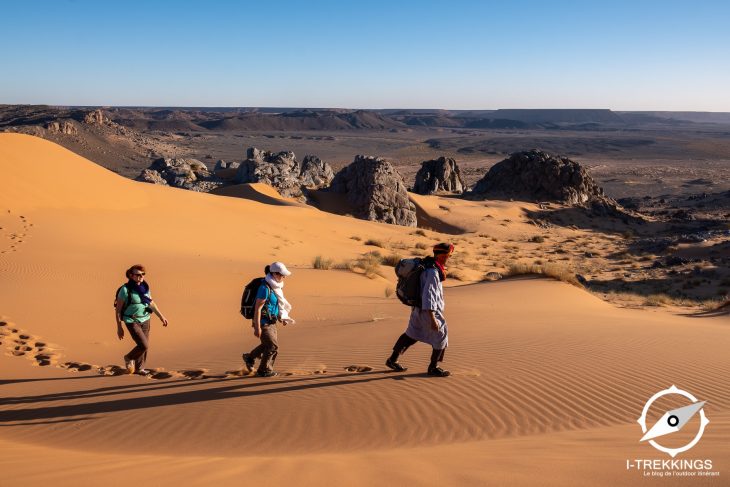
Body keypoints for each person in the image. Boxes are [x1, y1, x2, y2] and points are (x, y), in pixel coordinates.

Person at [386, 243, 454, 377]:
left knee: (412, 334)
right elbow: (429, 295)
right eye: (447, 256)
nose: (448, 258)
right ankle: (433, 367)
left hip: (418, 308)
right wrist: (432, 318)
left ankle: (392, 360)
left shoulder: (428, 266)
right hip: (428, 310)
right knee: (441, 335)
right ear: (441, 256)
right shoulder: (433, 272)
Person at [242, 262, 294, 377]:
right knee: (272, 346)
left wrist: (282, 317)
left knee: (267, 345)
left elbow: (276, 305)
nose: (284, 277)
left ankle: (249, 357)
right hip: (263, 322)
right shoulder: (264, 288)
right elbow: (258, 308)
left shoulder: (276, 287)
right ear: (274, 273)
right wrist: (257, 327)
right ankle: (264, 370)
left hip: (272, 322)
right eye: (281, 274)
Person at [115, 264, 168, 375]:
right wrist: (119, 327)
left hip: (145, 319)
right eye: (138, 275)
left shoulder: (145, 288)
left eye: (143, 274)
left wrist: (161, 317)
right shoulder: (125, 290)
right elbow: (118, 310)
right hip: (131, 320)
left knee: (144, 346)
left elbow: (151, 303)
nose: (141, 277)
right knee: (143, 345)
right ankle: (129, 357)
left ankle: (139, 368)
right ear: (131, 275)